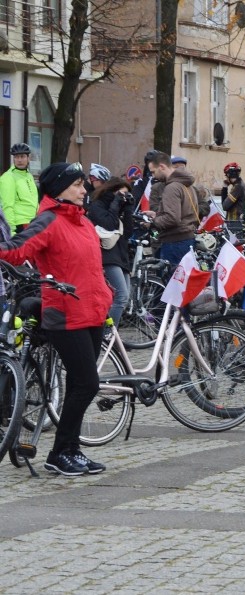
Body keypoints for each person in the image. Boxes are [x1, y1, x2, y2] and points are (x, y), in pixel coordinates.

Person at [0, 162, 113, 476]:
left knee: (81, 384)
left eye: (82, 185)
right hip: (65, 315)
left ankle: (70, 451)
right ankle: (61, 451)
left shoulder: (83, 221)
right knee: (88, 384)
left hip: (92, 311)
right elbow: (15, 250)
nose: (83, 190)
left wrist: (106, 292)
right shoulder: (48, 220)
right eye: (77, 185)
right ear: (59, 188)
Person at [86, 177, 135, 326]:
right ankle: (108, 335)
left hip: (120, 255)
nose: (124, 197)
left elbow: (127, 232)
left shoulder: (120, 206)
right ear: (113, 191)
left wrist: (127, 210)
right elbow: (108, 224)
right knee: (121, 296)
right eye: (122, 193)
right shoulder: (97, 205)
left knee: (123, 298)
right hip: (107, 254)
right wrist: (115, 203)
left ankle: (108, 332)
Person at [140, 151, 200, 264]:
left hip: (175, 242)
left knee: (171, 279)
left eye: (153, 172)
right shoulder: (186, 185)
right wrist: (156, 215)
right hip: (186, 238)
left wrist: (153, 222)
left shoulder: (171, 187)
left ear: (162, 167)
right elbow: (181, 214)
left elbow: (172, 218)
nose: (153, 176)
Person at [0, 143, 39, 232]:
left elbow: (34, 201)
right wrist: (11, 230)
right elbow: (7, 206)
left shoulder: (29, 176)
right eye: (16, 157)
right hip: (19, 225)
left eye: (22, 156)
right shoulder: (8, 177)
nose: (19, 160)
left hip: (33, 223)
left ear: (28, 158)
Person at [221, 162, 245, 226]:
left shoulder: (237, 187)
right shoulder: (241, 185)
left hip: (234, 223)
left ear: (229, 175)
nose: (226, 178)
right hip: (238, 222)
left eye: (226, 175)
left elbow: (225, 206)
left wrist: (224, 188)